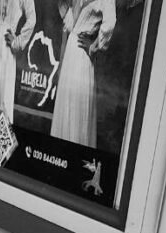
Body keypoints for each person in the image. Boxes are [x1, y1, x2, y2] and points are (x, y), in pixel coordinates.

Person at [50, 0, 116, 148]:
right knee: (66, 103)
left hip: (82, 55)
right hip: (71, 50)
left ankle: (74, 154)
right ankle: (59, 154)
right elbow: (70, 24)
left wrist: (93, 47)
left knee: (77, 107)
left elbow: (110, 23)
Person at [0, 0, 37, 121]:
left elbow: (32, 19)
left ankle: (0, 137)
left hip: (7, 44)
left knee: (4, 92)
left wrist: (17, 42)